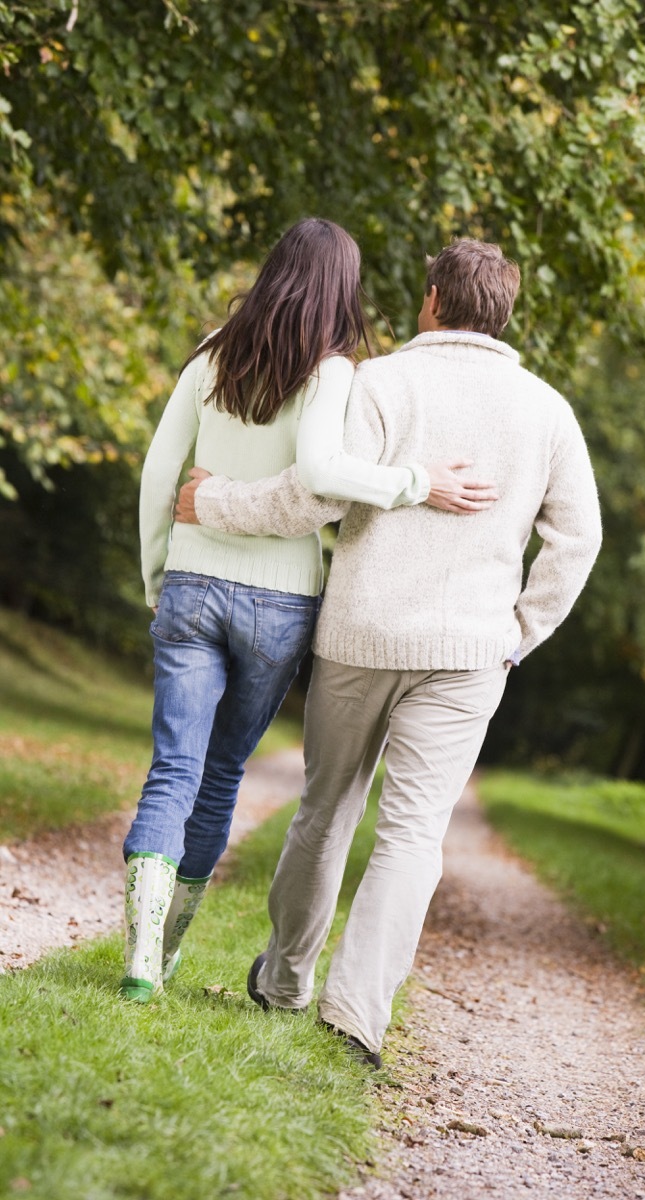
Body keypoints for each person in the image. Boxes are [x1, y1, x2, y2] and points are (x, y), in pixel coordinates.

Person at [174, 238, 602, 1067]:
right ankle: (357, 1015)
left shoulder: (377, 383)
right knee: (414, 834)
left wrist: (213, 501)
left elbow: (314, 493)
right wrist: (521, 631)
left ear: (433, 299)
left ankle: (285, 980)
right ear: (504, 313)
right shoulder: (546, 409)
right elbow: (576, 540)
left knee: (326, 808)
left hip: (360, 634)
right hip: (470, 651)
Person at [120, 218, 496, 1003]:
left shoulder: (212, 352)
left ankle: (141, 963)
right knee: (221, 774)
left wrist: (159, 574)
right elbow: (323, 471)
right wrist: (414, 482)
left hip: (190, 584)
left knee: (173, 770)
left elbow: (161, 475)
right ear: (342, 288)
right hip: (280, 602)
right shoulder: (331, 372)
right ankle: (173, 946)